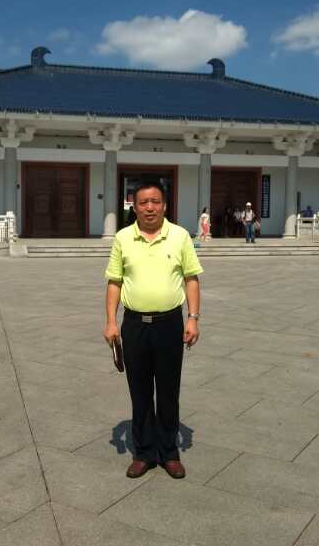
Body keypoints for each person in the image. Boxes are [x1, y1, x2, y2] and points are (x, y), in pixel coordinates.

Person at [103, 181, 203, 480]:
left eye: (155, 202)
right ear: (134, 206)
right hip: (134, 325)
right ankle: (144, 452)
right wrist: (111, 321)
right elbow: (114, 282)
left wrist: (193, 318)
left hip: (170, 324)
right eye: (143, 202)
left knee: (169, 391)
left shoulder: (180, 236)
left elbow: (191, 278)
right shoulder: (123, 238)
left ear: (165, 206)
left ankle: (169, 452)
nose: (150, 207)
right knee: (140, 391)